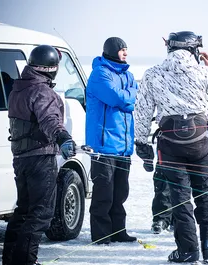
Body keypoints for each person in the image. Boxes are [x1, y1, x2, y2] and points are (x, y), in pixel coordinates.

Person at [134, 31, 208, 263]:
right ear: (194, 50)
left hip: (169, 143)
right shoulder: (203, 71)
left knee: (180, 198)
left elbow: (142, 112)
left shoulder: (152, 74)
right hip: (199, 141)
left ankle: (187, 250)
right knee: (204, 195)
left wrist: (141, 143)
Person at [2, 45, 76, 265]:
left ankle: (11, 260)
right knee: (41, 213)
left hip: (21, 157)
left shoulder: (19, 87)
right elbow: (50, 120)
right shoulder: (42, 91)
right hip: (40, 158)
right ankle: (26, 261)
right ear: (51, 68)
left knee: (24, 210)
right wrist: (63, 138)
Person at [85, 37, 138, 244]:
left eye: (126, 49)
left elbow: (132, 96)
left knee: (120, 193)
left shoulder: (129, 74)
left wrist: (127, 97)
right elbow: (116, 98)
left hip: (123, 146)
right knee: (103, 193)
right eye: (121, 50)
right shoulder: (100, 73)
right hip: (104, 145)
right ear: (111, 51)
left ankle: (118, 231)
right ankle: (101, 234)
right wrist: (128, 97)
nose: (125, 53)